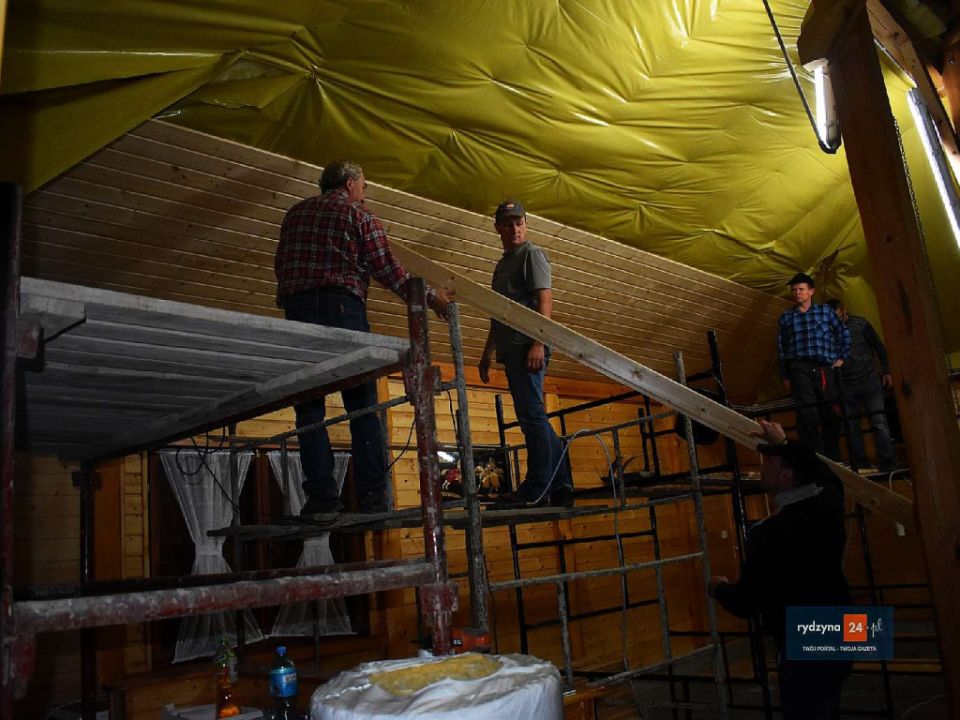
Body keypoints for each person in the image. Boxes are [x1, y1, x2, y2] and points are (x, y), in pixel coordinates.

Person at [275, 160, 451, 516]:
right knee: (363, 405)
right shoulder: (358, 216)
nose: (364, 193)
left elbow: (282, 266)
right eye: (364, 186)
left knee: (308, 407)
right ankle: (372, 496)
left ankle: (322, 497)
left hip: (299, 311)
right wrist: (433, 299)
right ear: (350, 184)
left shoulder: (294, 214)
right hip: (342, 307)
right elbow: (389, 270)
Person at [709, 419, 852, 719]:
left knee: (808, 710)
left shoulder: (768, 532)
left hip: (803, 636)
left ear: (787, 476)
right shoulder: (829, 503)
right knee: (828, 702)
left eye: (770, 463)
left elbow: (747, 603)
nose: (762, 468)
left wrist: (718, 587)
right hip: (846, 626)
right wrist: (783, 444)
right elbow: (826, 474)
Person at [478, 200, 574, 509]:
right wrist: (487, 353)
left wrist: (539, 342)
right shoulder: (502, 265)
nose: (514, 229)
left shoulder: (531, 254)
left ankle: (536, 488)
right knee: (534, 417)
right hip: (511, 348)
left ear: (526, 225)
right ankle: (562, 485)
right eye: (508, 224)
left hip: (527, 347)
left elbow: (544, 298)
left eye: (519, 223)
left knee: (532, 417)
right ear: (498, 228)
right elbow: (498, 312)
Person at [777, 272, 850, 460]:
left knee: (830, 411)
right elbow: (782, 348)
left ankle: (833, 456)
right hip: (799, 367)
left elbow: (843, 333)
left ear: (811, 291)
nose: (797, 293)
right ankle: (814, 456)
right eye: (794, 290)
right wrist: (785, 375)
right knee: (806, 411)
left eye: (801, 289)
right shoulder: (786, 317)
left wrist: (841, 357)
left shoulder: (825, 311)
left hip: (823, 366)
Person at [826, 300, 896, 473]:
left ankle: (887, 463)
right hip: (846, 384)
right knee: (851, 426)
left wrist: (887, 371)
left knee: (879, 422)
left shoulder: (860, 324)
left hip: (869, 379)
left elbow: (879, 347)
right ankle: (861, 464)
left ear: (844, 310)